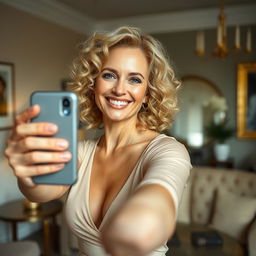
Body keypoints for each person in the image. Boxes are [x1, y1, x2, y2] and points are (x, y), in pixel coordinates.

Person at [5, 26, 192, 256]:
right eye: (109, 75)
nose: (120, 89)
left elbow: (161, 194)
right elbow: (40, 191)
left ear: (147, 94)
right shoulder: (81, 152)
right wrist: (27, 175)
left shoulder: (167, 151)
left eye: (134, 79)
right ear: (94, 85)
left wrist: (141, 221)